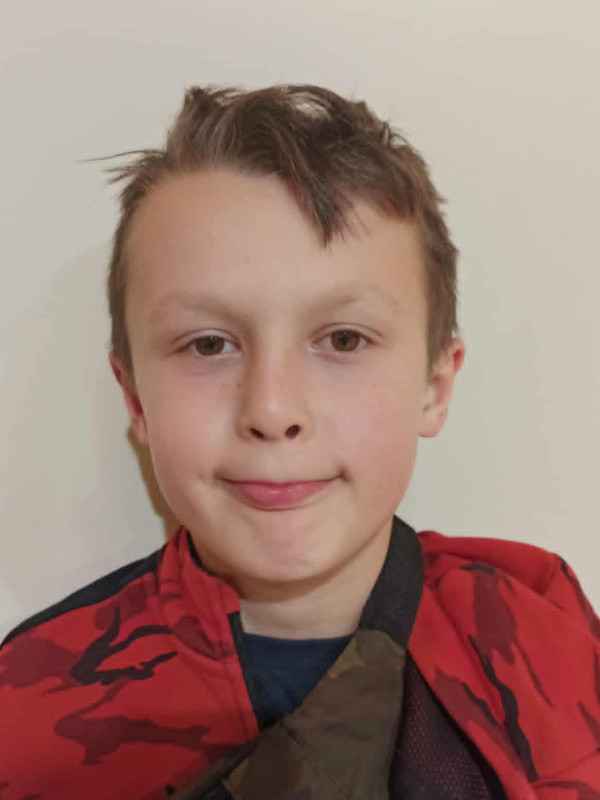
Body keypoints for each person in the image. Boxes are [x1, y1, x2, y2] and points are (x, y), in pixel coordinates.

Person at [1, 84, 598, 800]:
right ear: (135, 400)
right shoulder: (25, 715)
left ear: (434, 387)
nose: (272, 409)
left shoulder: (551, 649)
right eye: (208, 344)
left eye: (343, 339)